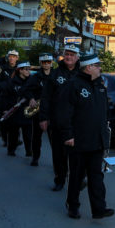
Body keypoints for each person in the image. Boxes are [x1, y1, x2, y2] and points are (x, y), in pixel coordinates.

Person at [59, 51, 113, 219]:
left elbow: (103, 113)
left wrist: (105, 136)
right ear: (89, 67)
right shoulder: (73, 85)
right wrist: (68, 134)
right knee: (76, 175)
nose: (100, 69)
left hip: (97, 140)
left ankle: (99, 209)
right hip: (78, 140)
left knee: (97, 175)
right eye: (98, 66)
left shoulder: (100, 85)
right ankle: (73, 205)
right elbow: (64, 112)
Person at [38, 43, 80, 192]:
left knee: (77, 154)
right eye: (67, 54)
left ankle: (78, 180)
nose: (69, 57)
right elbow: (46, 97)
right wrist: (43, 117)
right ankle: (60, 179)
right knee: (59, 154)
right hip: (57, 121)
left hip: (77, 123)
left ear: (77, 57)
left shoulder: (82, 73)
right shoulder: (55, 74)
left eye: (72, 55)